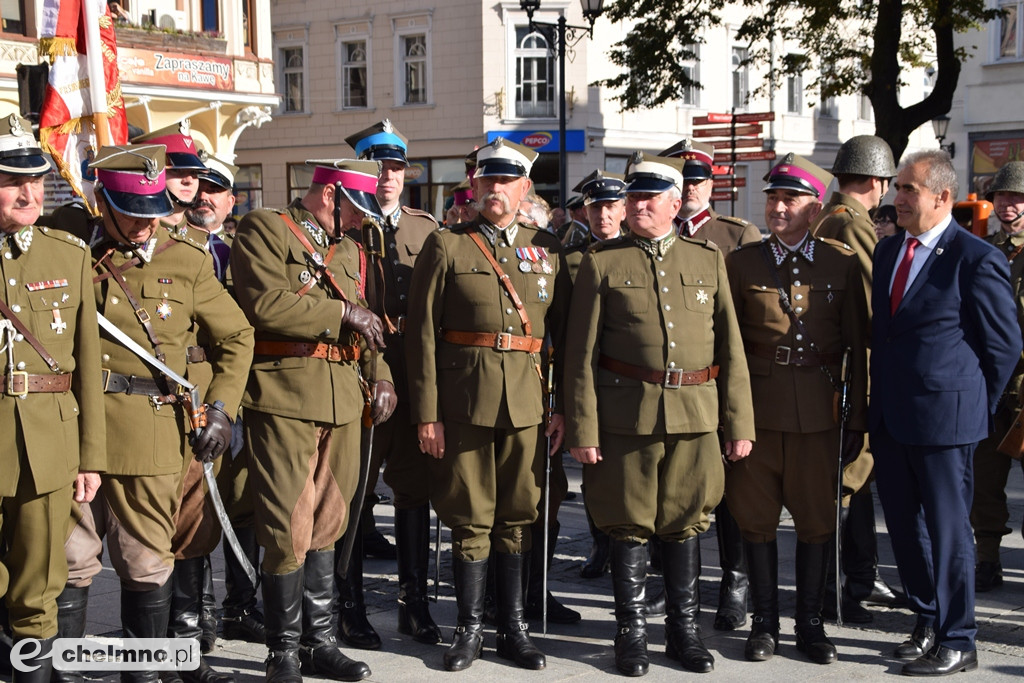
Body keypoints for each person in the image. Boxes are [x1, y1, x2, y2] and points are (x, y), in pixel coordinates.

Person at [60, 143, 254, 683]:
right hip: (77, 427)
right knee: (72, 561)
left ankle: (141, 675)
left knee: (146, 563)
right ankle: (64, 672)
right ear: (103, 202)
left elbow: (237, 335)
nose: (145, 225)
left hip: (150, 430)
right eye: (132, 211)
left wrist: (222, 408)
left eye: (152, 210)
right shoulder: (71, 250)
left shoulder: (186, 260)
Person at [564, 152, 754, 676]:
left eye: (649, 197)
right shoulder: (604, 262)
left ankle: (684, 633)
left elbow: (730, 350)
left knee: (686, 524)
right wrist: (582, 427)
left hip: (696, 414)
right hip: (627, 418)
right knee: (628, 525)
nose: (638, 205)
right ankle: (631, 635)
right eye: (633, 196)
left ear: (676, 203)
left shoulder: (707, 259)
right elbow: (579, 355)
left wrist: (739, 425)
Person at [229, 158, 396, 682]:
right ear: (330, 195)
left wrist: (382, 373)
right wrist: (341, 315)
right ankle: (282, 651)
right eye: (355, 209)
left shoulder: (351, 250)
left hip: (343, 398)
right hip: (283, 395)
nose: (359, 221)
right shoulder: (265, 229)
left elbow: (368, 318)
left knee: (328, 519)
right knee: (286, 522)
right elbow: (263, 304)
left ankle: (319, 643)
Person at [406, 137, 568, 672]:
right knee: (469, 516)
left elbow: (563, 337)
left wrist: (561, 406)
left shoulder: (548, 247)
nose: (494, 189)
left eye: (505, 181)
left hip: (526, 404)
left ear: (525, 188)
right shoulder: (447, 245)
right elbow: (422, 336)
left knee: (518, 515)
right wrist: (427, 413)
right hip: (463, 401)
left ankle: (513, 628)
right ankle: (469, 628)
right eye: (486, 181)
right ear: (474, 187)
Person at [871, 149, 1020, 676]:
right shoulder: (889, 253)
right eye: (897, 188)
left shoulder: (976, 258)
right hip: (891, 418)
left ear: (942, 196)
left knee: (949, 531)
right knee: (905, 532)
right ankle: (928, 620)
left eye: (909, 190)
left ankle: (960, 638)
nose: (897, 197)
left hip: (945, 422)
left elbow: (1002, 346)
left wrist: (970, 401)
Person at [726, 153, 868, 666]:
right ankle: (765, 624)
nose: (778, 206)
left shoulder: (842, 263)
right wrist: (731, 418)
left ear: (815, 208)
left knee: (815, 521)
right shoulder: (742, 263)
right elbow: (729, 348)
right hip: (758, 416)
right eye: (772, 197)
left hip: (818, 416)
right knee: (756, 520)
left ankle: (810, 623)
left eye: (790, 198)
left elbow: (858, 346)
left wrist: (857, 419)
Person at [0, 112, 105, 680]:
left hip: (47, 447)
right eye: (13, 180)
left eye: (37, 180)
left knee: (39, 593)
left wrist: (90, 456)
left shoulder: (68, 254)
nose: (29, 192)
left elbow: (87, 365)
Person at [647, 137, 762, 632]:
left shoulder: (735, 235)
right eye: (683, 180)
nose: (691, 188)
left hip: (719, 382)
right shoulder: (654, 236)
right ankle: (676, 587)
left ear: (711, 184)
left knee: (731, 491)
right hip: (673, 389)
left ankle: (734, 586)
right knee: (672, 490)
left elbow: (747, 320)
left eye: (698, 180)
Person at [341, 119, 441, 648]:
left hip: (408, 366)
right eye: (378, 166)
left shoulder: (425, 230)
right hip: (356, 366)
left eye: (397, 168)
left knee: (413, 488)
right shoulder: (342, 226)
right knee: (355, 486)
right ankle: (350, 605)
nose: (388, 177)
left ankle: (413, 604)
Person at [810, 135, 903, 625]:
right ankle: (837, 591)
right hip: (852, 371)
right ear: (878, 182)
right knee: (847, 480)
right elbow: (871, 306)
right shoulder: (854, 225)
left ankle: (857, 580)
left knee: (852, 481)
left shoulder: (826, 217)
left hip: (830, 370)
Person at [184, 151, 267, 648]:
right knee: (193, 505)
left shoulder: (240, 250)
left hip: (238, 391)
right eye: (199, 188)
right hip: (192, 389)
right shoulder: (172, 246)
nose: (206, 198)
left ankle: (240, 604)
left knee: (242, 499)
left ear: (230, 200)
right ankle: (197, 612)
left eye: (216, 191)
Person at [562, 169, 627, 583]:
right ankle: (600, 543)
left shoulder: (639, 252)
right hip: (586, 379)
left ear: (623, 209)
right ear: (584, 211)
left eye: (609, 206)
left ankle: (642, 550)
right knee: (594, 470)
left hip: (627, 379)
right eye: (595, 207)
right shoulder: (569, 259)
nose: (602, 215)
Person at [972, 161, 1024, 592]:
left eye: (1016, 197)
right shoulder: (984, 249)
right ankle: (987, 558)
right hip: (992, 387)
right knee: (985, 480)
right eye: (1002, 196)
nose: (1007, 205)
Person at [132, 120, 207, 230]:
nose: (188, 180)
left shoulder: (207, 243)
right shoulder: (138, 237)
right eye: (177, 171)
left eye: (194, 172)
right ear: (152, 174)